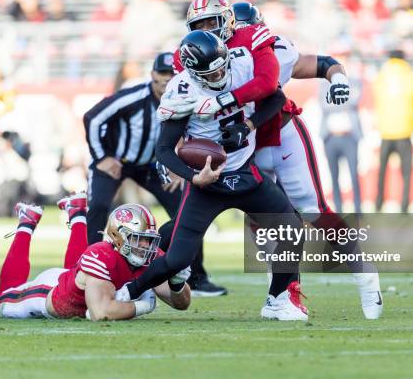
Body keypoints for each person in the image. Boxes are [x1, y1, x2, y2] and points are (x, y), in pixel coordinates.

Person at [160, 0, 383, 319]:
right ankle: (280, 293)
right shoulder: (191, 56)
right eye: (201, 26)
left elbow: (313, 66)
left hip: (280, 131)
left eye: (213, 23)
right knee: (262, 221)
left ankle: (364, 273)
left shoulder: (257, 41)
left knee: (312, 209)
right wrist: (175, 153)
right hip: (240, 147)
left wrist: (338, 78)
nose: (208, 32)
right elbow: (182, 110)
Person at [120, 30, 307, 321]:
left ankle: (277, 299)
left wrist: (248, 125)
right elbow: (165, 150)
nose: (220, 75)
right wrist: (194, 177)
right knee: (179, 259)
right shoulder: (181, 91)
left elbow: (276, 98)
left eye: (222, 67)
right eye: (211, 72)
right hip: (206, 183)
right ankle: (129, 290)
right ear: (193, 72)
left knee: (292, 230)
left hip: (244, 172)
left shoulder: (241, 64)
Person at [83, 52, 227, 296]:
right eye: (162, 74)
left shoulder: (186, 97)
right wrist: (102, 157)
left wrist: (181, 167)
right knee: (97, 206)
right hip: (119, 160)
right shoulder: (133, 97)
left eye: (172, 74)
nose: (166, 79)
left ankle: (196, 276)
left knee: (187, 211)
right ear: (152, 75)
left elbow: (194, 135)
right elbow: (93, 117)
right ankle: (90, 270)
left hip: (154, 166)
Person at [0, 193, 190, 320]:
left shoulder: (149, 254)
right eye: (138, 239)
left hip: (80, 282)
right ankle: (26, 223)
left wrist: (177, 284)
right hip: (49, 293)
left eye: (148, 239)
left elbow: (181, 304)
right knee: (4, 302)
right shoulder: (102, 255)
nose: (145, 246)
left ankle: (77, 213)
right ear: (118, 236)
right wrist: (143, 306)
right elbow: (100, 313)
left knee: (79, 271)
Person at [373, 50, 413, 214]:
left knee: (382, 171)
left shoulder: (382, 75)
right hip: (404, 131)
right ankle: (404, 205)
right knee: (406, 173)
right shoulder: (409, 75)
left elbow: (376, 97)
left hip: (386, 131)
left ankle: (378, 203)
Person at [318, 49, 364, 214]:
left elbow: (354, 101)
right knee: (334, 177)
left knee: (354, 174)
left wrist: (337, 98)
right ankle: (338, 210)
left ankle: (358, 210)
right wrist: (342, 98)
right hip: (331, 136)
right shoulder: (324, 82)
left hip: (349, 135)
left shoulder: (355, 80)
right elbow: (325, 105)